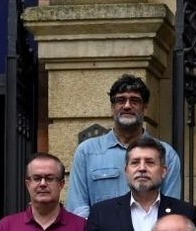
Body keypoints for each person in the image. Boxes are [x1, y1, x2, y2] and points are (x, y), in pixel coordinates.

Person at [65, 74, 181, 215]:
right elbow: (77, 206)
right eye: (120, 100)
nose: (127, 106)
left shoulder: (166, 154)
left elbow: (170, 208)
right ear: (113, 107)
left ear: (145, 108)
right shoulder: (87, 152)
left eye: (134, 101)